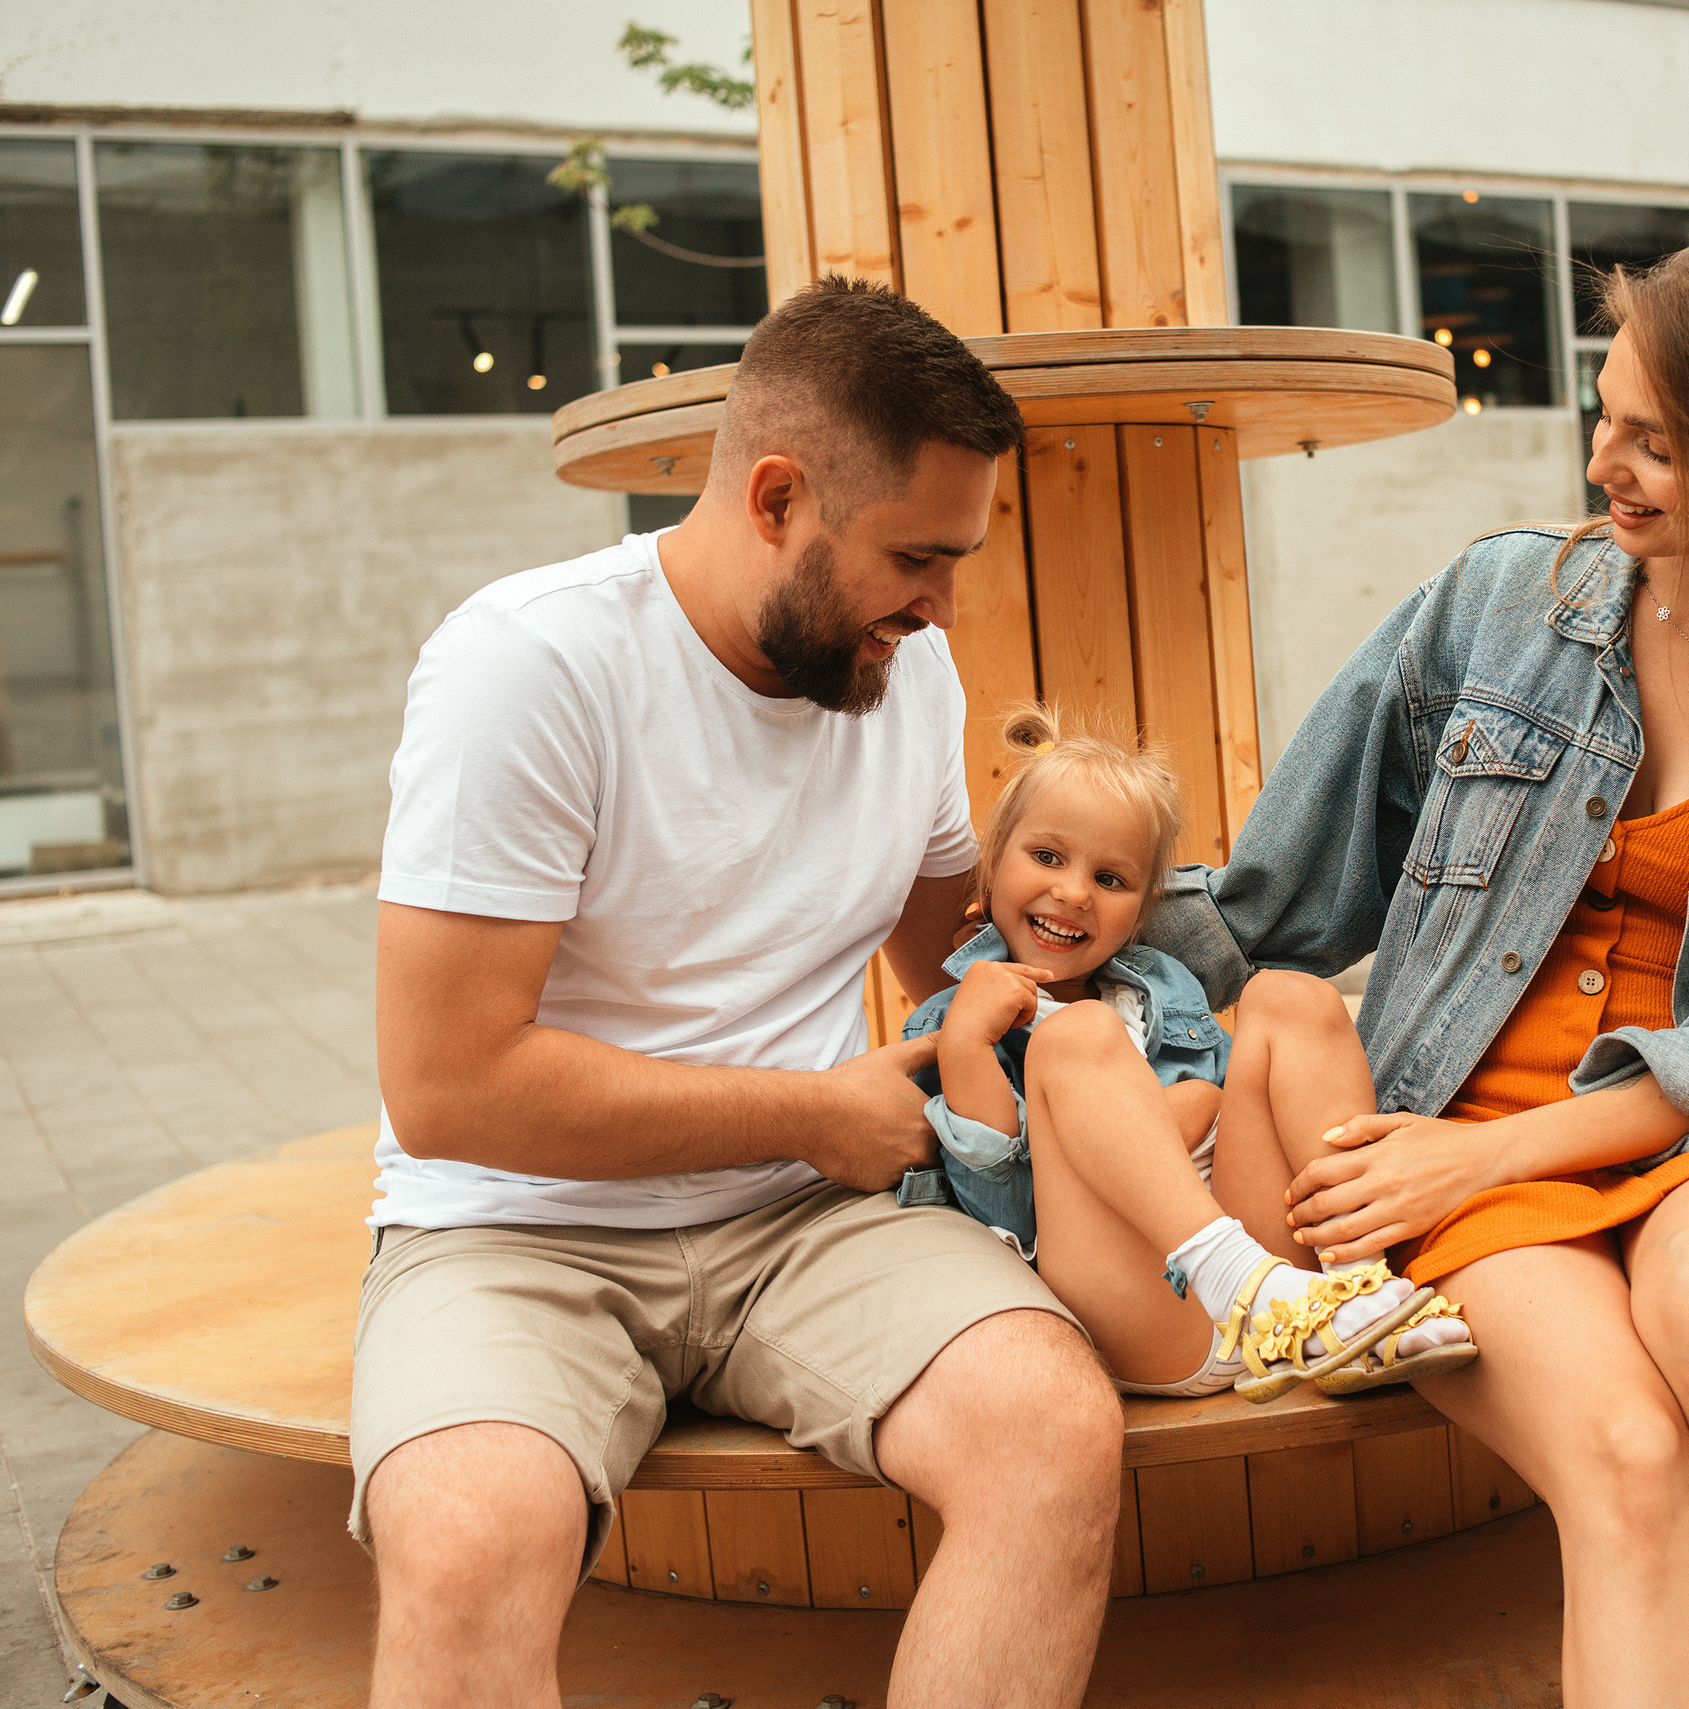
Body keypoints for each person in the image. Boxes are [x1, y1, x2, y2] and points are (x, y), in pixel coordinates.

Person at [1143, 232, 1689, 1707]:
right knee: (1627, 1460)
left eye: (1659, 442)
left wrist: (1465, 1173)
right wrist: (1040, 943)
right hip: (1457, 1124)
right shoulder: (1496, 611)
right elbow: (1277, 899)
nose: (1608, 463)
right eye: (1607, 417)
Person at [359, 277, 1121, 1709]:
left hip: (807, 1222)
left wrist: (1152, 1026)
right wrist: (809, 1112)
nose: (947, 607)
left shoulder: (914, 671)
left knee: (1051, 1428)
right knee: (467, 1545)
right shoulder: (531, 666)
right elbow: (449, 1086)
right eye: (916, 557)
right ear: (776, 497)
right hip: (522, 1234)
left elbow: (955, 950)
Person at [895, 704, 1474, 1403]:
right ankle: (1250, 1283)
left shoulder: (1163, 992)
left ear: (1141, 912)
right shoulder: (957, 1025)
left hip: (1271, 1292)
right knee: (1075, 1035)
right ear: (989, 874)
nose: (1074, 892)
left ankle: (1356, 1292)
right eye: (1047, 857)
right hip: (1139, 1314)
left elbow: (1240, 1118)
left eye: (1111, 880)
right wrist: (965, 1043)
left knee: (1290, 996)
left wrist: (1205, 1106)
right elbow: (1011, 1216)